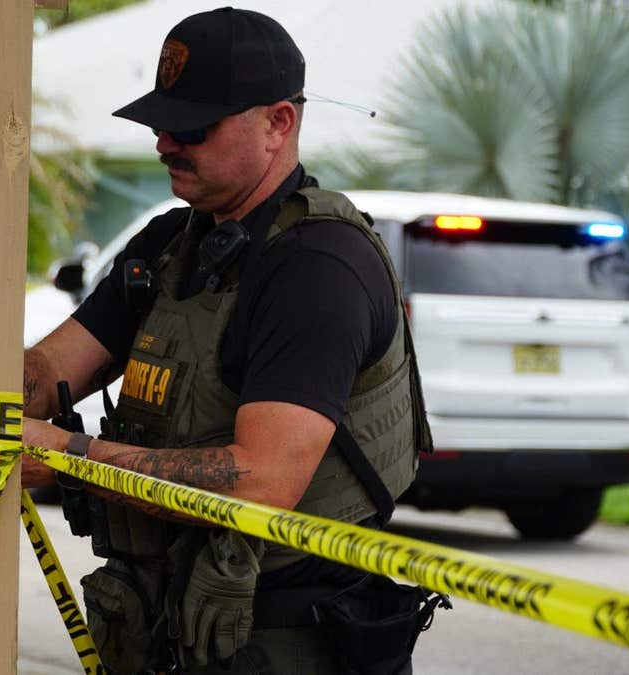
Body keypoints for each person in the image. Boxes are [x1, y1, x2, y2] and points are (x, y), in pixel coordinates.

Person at [22, 7, 433, 674]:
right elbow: (48, 367)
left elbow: (261, 479)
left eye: (191, 126)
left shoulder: (318, 269)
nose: (163, 143)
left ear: (279, 123)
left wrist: (70, 456)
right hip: (172, 629)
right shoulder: (171, 244)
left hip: (289, 637)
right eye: (159, 122)